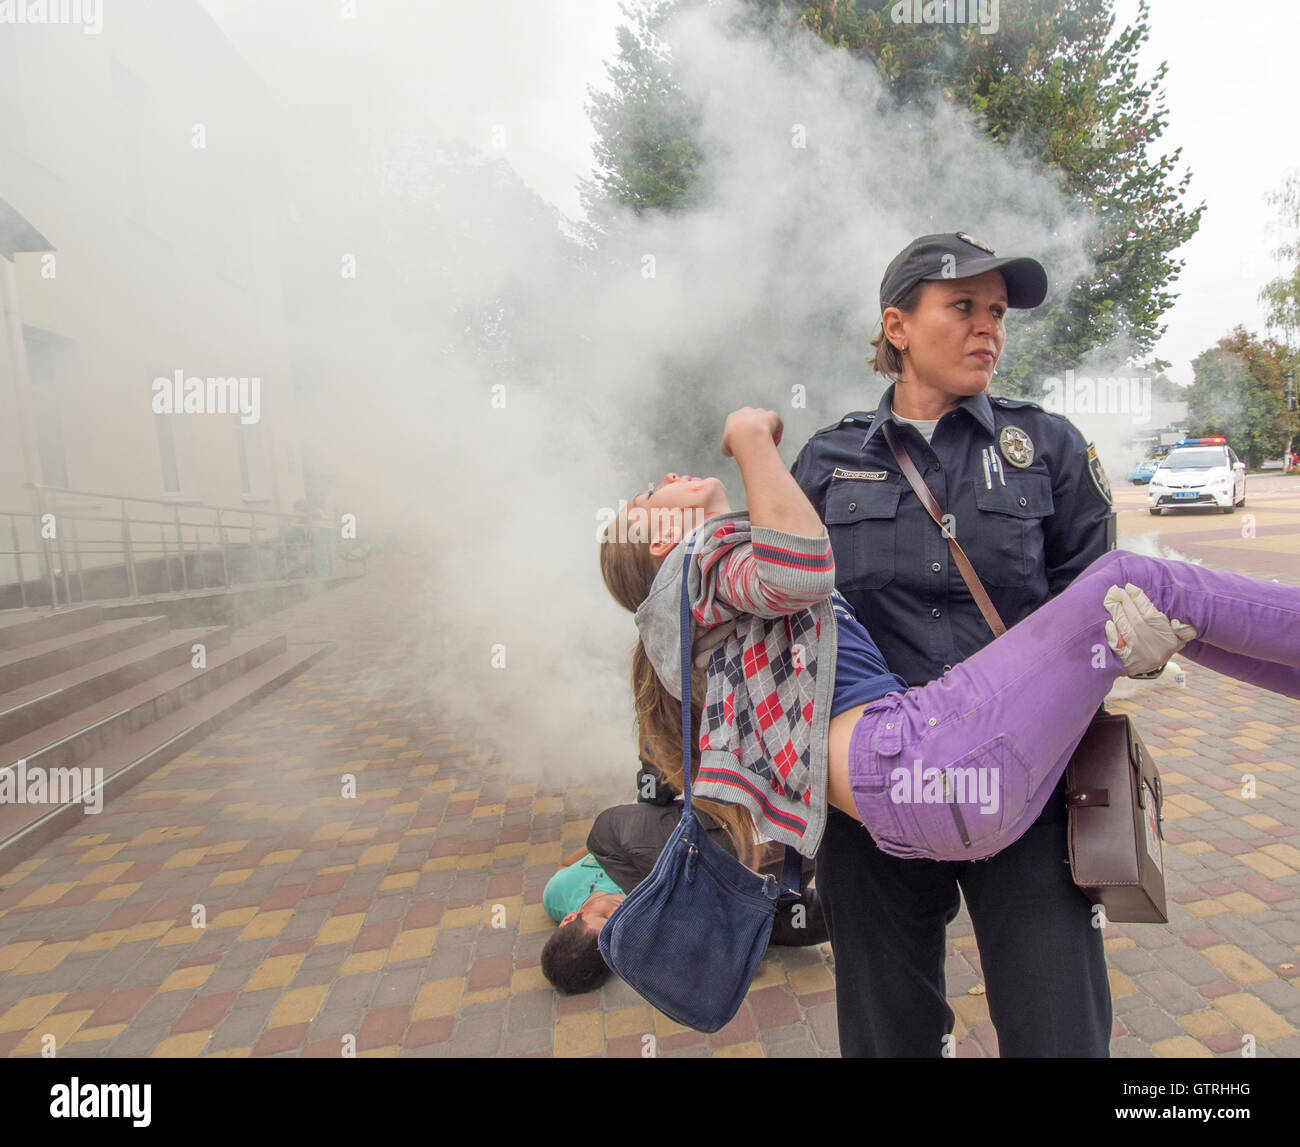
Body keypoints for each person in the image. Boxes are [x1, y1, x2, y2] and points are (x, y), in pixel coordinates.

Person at [597, 409, 1300, 1043]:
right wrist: (748, 435)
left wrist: (1133, 660)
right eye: (645, 501)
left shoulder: (710, 601)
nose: (663, 476)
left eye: (994, 307)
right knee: (1143, 580)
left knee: (1146, 593)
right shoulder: (701, 570)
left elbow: (1079, 598)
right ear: (660, 545)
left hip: (936, 783)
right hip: (923, 761)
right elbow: (800, 565)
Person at [789, 231, 1118, 1057]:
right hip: (870, 798)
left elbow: (1099, 605)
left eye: (998, 312)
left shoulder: (1048, 447)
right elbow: (787, 627)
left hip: (1024, 784)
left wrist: (1134, 642)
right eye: (962, 306)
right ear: (897, 326)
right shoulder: (828, 463)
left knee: (1059, 1030)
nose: (989, 329)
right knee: (886, 1034)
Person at [540, 799, 828, 995]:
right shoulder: (643, 937)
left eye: (603, 915)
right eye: (615, 930)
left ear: (569, 917)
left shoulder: (556, 895)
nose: (618, 912)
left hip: (680, 828)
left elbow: (569, 863)